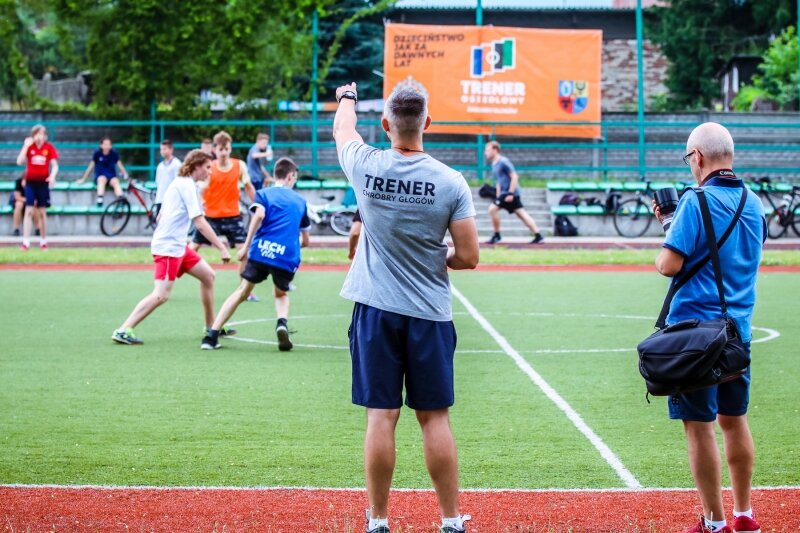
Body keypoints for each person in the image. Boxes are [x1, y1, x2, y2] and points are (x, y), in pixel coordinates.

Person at [334, 82, 479, 533]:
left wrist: (347, 97)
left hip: (375, 311)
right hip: (429, 314)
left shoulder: (366, 164)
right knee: (434, 418)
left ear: (385, 124)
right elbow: (469, 257)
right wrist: (437, 257)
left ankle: (378, 520)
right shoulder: (451, 181)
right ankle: (450, 520)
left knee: (381, 416)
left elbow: (342, 129)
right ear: (427, 123)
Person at [653, 123, 765, 533]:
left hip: (695, 336)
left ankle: (714, 522)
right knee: (734, 420)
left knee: (699, 428)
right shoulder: (754, 203)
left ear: (697, 157)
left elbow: (669, 265)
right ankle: (744, 513)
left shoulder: (695, 200)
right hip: (738, 333)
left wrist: (669, 226)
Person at [111, 150, 232, 345]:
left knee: (208, 276)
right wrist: (222, 247)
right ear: (196, 166)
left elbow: (161, 216)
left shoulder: (180, 183)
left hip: (177, 246)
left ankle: (211, 326)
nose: (210, 172)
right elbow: (199, 222)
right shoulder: (187, 185)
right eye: (207, 167)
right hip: (169, 248)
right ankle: (123, 330)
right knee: (161, 295)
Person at [201, 157, 310, 352]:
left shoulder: (263, 194)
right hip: (286, 256)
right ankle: (281, 323)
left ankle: (211, 336)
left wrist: (246, 246)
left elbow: (259, 215)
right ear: (291, 176)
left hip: (261, 251)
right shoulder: (301, 201)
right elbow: (306, 240)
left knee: (243, 291)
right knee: (281, 293)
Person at [190, 130, 258, 300]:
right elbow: (200, 190)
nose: (223, 152)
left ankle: (245, 290)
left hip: (232, 216)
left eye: (226, 149)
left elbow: (248, 187)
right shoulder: (209, 168)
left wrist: (258, 204)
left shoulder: (239, 165)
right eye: (220, 149)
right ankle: (169, 275)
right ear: (215, 150)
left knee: (245, 252)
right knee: (191, 249)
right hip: (210, 217)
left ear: (230, 148)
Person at [483, 141, 544, 245]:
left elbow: (514, 176)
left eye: (487, 150)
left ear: (495, 150)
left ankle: (497, 236)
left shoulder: (503, 161)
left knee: (492, 209)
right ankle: (538, 235)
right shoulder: (494, 164)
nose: (485, 152)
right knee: (521, 214)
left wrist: (510, 193)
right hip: (504, 194)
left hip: (510, 194)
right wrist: (498, 195)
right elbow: (499, 181)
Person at [16, 124, 58, 251]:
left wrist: (52, 176)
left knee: (42, 212)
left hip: (43, 183)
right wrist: (25, 146)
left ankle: (43, 241)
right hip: (30, 183)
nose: (40, 137)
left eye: (42, 134)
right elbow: (19, 161)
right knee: (29, 210)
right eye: (37, 134)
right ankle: (26, 242)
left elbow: (55, 165)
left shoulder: (49, 148)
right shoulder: (29, 147)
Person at [77, 137, 129, 206]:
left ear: (111, 146)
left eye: (109, 144)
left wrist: (126, 175)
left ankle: (120, 198)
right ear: (101, 145)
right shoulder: (97, 153)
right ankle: (100, 198)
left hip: (111, 176)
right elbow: (90, 167)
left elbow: (120, 165)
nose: (107, 146)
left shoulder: (114, 153)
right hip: (100, 176)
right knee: (102, 179)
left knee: (115, 181)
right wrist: (83, 179)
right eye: (105, 144)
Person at [154, 139, 182, 217]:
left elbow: (179, 183)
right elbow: (158, 182)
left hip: (172, 201)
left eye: (164, 149)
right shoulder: (160, 166)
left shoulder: (176, 164)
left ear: (171, 149)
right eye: (161, 149)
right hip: (160, 199)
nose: (162, 151)